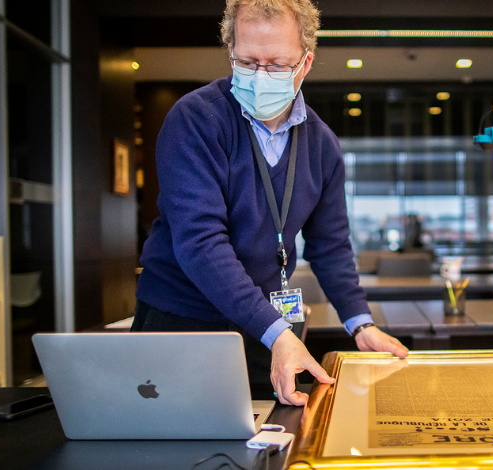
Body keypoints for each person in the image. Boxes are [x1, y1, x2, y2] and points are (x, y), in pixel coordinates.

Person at [132, 0, 408, 407]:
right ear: (230, 52)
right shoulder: (194, 119)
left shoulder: (322, 144)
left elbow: (330, 246)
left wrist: (360, 323)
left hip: (263, 321)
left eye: (277, 65)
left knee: (274, 437)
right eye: (247, 62)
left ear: (305, 63)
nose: (260, 77)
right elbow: (200, 242)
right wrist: (277, 331)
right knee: (169, 442)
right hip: (181, 315)